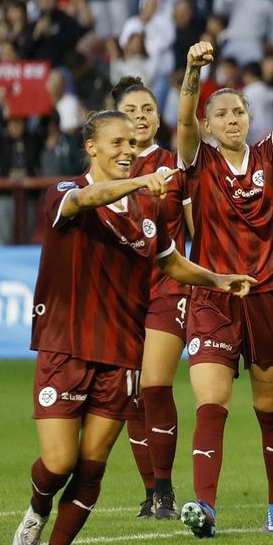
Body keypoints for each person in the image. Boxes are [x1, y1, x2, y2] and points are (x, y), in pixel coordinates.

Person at [10, 110, 254, 545]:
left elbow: (169, 262)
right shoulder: (65, 192)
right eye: (117, 143)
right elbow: (88, 200)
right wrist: (141, 182)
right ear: (92, 148)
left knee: (91, 468)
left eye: (131, 144)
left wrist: (216, 279)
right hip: (65, 347)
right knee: (60, 461)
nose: (127, 151)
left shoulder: (147, 209)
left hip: (122, 353)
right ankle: (36, 511)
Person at [175, 33, 273, 538]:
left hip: (267, 296)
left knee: (269, 408)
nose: (232, 119)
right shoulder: (198, 163)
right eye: (223, 114)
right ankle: (203, 506)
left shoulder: (268, 158)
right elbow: (183, 120)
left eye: (239, 112)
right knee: (211, 404)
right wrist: (193, 72)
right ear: (209, 126)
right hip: (212, 297)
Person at [112, 78, 193, 521]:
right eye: (131, 109)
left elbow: (194, 225)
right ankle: (149, 492)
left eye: (147, 108)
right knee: (130, 397)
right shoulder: (106, 172)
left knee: (155, 384)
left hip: (167, 285)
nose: (141, 115)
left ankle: (164, 489)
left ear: (158, 118)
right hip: (120, 293)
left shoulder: (174, 165)